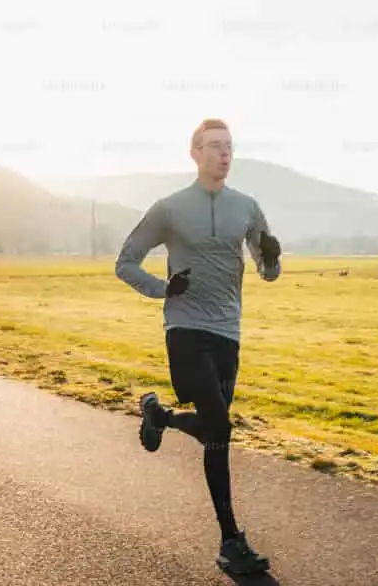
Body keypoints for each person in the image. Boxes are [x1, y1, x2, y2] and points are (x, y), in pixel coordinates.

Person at [114, 118, 281, 575]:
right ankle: (231, 540)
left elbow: (267, 272)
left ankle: (159, 416)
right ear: (195, 153)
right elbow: (125, 262)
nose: (224, 154)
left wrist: (272, 256)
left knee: (213, 429)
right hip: (185, 328)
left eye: (229, 147)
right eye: (214, 147)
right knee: (220, 426)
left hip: (228, 331)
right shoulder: (169, 209)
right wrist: (163, 289)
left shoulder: (247, 207)